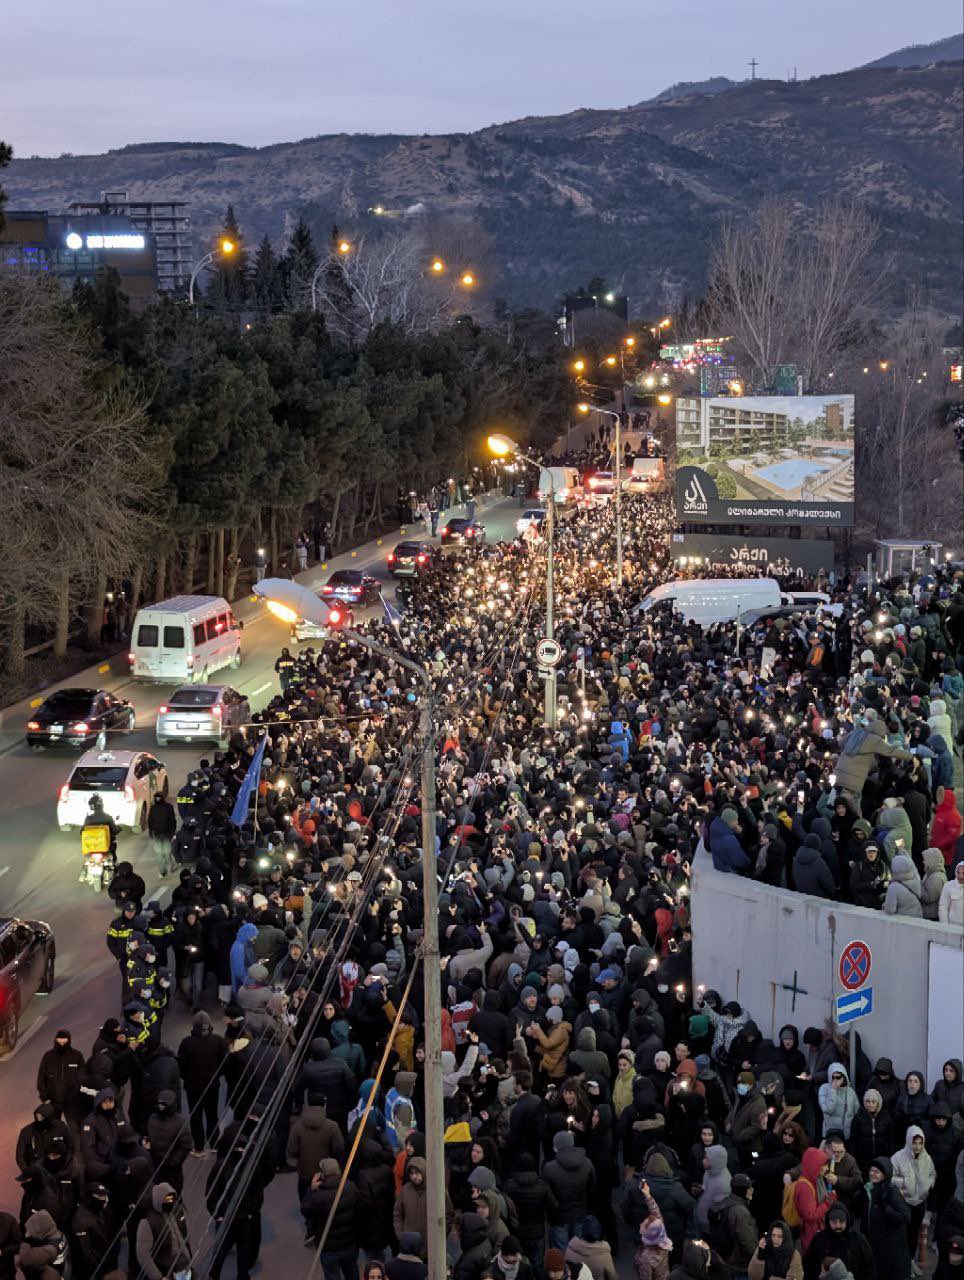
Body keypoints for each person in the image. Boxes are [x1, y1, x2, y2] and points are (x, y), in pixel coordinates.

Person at [135, 1183, 192, 1280]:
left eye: (172, 1199)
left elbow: (184, 1237)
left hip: (183, 1265)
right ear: (158, 1199)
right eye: (167, 1199)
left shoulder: (175, 1214)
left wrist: (189, 1259)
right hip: (166, 1271)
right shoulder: (147, 1223)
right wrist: (158, 1277)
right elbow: (142, 1254)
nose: (170, 1202)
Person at [147, 790, 177, 878]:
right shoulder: (167, 807)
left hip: (162, 834)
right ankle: (165, 868)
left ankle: (165, 869)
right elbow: (172, 822)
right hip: (163, 834)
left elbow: (150, 821)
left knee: (162, 853)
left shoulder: (155, 808)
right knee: (164, 852)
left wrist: (151, 832)